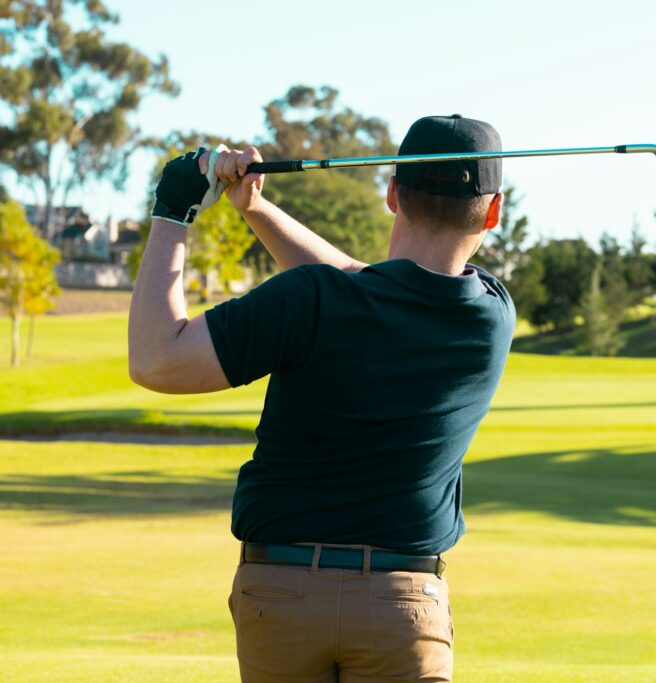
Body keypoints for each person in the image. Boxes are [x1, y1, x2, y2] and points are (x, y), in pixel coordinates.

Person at [128, 114, 515, 682]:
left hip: (280, 595)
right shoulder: (491, 314)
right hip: (404, 605)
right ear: (494, 211)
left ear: (391, 193)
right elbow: (360, 285)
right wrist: (253, 207)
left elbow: (157, 358)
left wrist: (173, 209)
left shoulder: (310, 299)